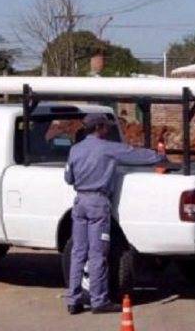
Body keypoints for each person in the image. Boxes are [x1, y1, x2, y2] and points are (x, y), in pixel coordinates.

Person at [64, 113, 164, 315]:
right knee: (98, 253)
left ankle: (73, 300)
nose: (108, 129)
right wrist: (160, 155)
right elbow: (137, 155)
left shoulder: (75, 150)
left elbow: (68, 178)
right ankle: (99, 300)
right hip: (98, 203)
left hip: (80, 201)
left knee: (78, 253)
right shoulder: (108, 148)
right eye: (106, 126)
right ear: (99, 127)